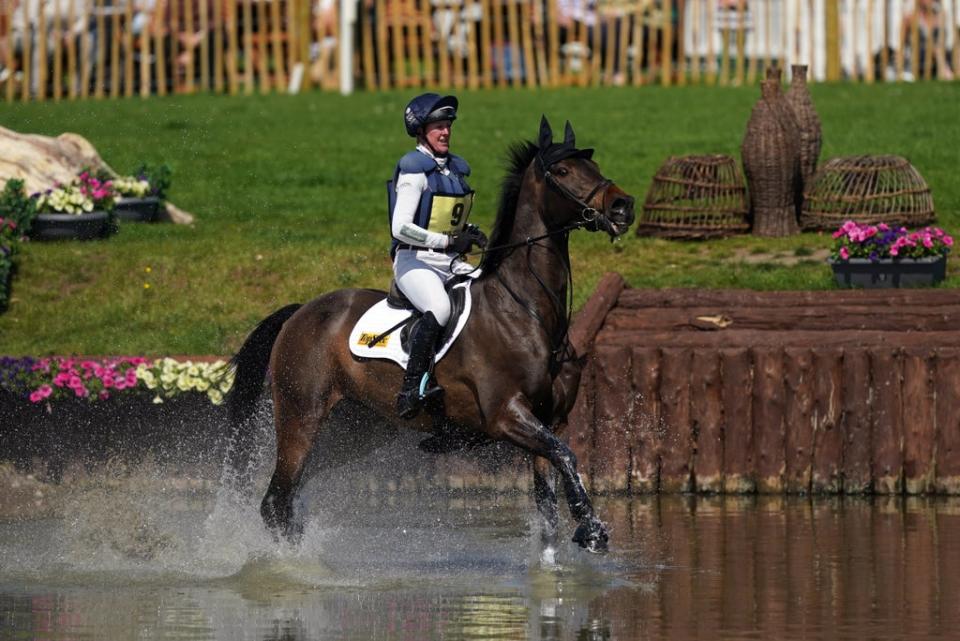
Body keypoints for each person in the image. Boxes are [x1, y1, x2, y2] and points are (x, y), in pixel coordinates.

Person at [387, 92, 487, 420]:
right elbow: (400, 227)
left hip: (449, 262)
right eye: (437, 127)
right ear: (421, 131)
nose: (445, 132)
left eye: (447, 126)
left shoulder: (453, 171)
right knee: (440, 307)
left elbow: (444, 216)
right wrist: (446, 241)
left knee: (488, 293)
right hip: (415, 261)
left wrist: (469, 232)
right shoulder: (414, 169)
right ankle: (411, 389)